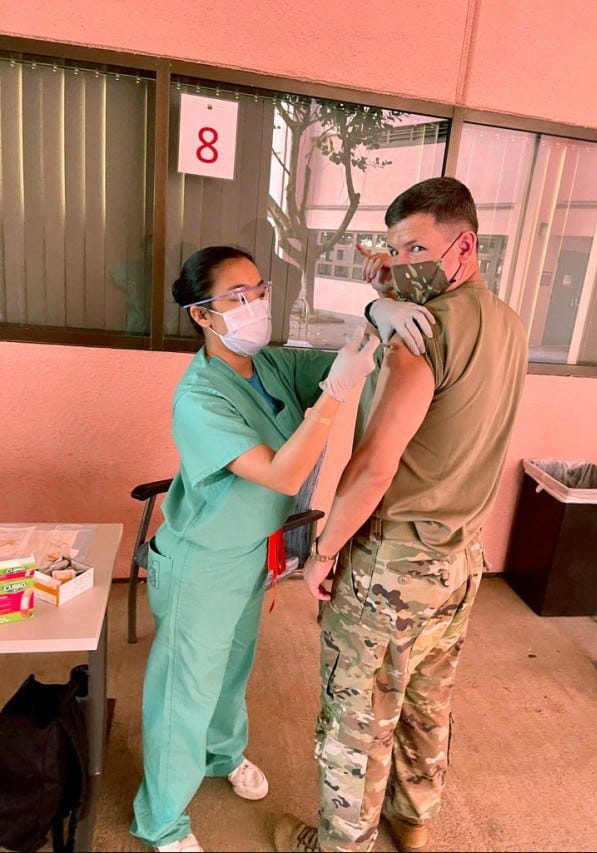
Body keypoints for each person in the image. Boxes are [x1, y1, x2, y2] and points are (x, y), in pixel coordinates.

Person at [129, 244, 434, 853]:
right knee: (183, 688)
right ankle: (161, 820)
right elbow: (281, 474)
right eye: (237, 299)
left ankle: (222, 754)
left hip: (253, 556)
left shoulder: (266, 366)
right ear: (202, 315)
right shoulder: (200, 398)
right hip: (202, 563)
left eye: (260, 291)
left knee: (232, 668)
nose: (255, 307)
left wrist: (383, 311)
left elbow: (342, 358)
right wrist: (334, 398)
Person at [274, 177, 529, 853]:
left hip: (391, 564)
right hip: (459, 559)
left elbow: (374, 465)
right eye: (391, 249)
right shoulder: (506, 323)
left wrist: (324, 551)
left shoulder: (423, 333)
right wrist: (381, 294)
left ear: (465, 245)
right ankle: (411, 822)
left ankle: (338, 846)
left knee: (356, 720)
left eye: (416, 245)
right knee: (426, 702)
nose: (400, 261)